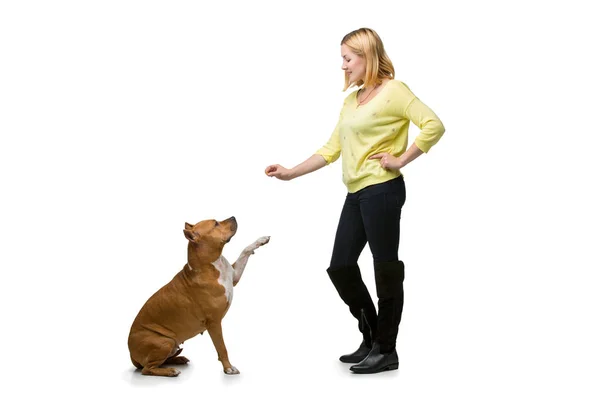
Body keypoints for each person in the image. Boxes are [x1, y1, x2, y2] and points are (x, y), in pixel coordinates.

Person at [264, 27, 445, 374]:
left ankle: (386, 349)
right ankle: (373, 336)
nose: (343, 66)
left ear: (367, 57)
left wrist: (400, 159)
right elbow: (331, 149)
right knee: (341, 267)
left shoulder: (394, 91)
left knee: (385, 269)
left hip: (383, 190)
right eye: (343, 59)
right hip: (356, 192)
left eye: (348, 58)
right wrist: (290, 172)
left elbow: (433, 125)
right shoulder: (350, 101)